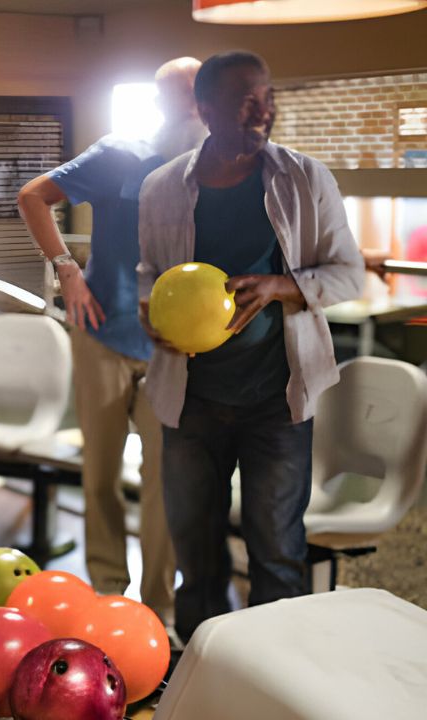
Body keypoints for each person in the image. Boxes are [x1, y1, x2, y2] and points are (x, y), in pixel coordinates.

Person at [137, 50, 364, 643]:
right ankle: (202, 676)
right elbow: (149, 274)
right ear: (206, 109)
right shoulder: (163, 188)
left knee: (277, 555)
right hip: (189, 402)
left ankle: (272, 678)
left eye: (269, 99)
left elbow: (348, 274)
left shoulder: (305, 179)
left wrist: (282, 287)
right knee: (198, 561)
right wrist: (151, 314)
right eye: (247, 101)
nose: (264, 112)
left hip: (277, 401)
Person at [16, 57, 205, 624]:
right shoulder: (118, 151)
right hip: (101, 330)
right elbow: (33, 197)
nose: (192, 108)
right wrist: (65, 270)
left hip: (174, 348)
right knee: (99, 473)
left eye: (201, 98)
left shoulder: (217, 165)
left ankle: (158, 612)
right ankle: (106, 598)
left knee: (165, 483)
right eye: (182, 97)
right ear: (161, 100)